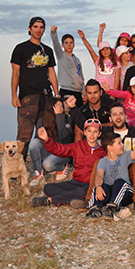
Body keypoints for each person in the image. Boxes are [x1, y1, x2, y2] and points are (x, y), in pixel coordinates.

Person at [10, 16, 59, 162]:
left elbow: (52, 73)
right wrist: (14, 95)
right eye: (36, 27)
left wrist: (56, 94)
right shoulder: (21, 48)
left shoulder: (48, 50)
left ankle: (43, 164)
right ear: (29, 28)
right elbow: (15, 73)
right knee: (24, 134)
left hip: (46, 95)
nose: (39, 30)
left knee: (46, 131)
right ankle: (17, 167)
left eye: (41, 27)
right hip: (28, 96)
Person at [31, 118, 105, 207]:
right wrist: (47, 139)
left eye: (95, 131)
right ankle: (76, 197)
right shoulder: (78, 146)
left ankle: (50, 200)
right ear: (84, 132)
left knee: (83, 191)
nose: (92, 134)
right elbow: (60, 150)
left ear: (99, 134)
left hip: (90, 185)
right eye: (89, 131)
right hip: (76, 182)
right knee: (48, 188)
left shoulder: (103, 152)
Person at [85, 130, 135, 220]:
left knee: (120, 182)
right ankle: (95, 209)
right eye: (119, 143)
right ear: (110, 148)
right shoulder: (103, 161)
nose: (122, 145)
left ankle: (112, 208)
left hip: (125, 193)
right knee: (101, 186)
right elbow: (99, 175)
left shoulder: (125, 156)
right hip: (111, 193)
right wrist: (98, 187)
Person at [29, 96, 75, 187]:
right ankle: (38, 173)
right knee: (34, 142)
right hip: (48, 152)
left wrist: (59, 116)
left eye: (62, 106)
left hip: (63, 152)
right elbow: (37, 144)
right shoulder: (42, 121)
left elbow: (62, 136)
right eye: (59, 106)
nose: (62, 108)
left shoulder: (67, 119)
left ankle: (63, 166)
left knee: (48, 165)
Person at [50, 25, 84, 108]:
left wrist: (84, 91)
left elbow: (81, 77)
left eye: (71, 43)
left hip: (78, 92)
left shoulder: (78, 60)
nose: (69, 45)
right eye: (66, 43)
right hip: (66, 90)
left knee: (79, 117)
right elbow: (56, 45)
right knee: (67, 116)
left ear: (74, 45)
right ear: (62, 45)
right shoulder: (61, 56)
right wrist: (53, 33)